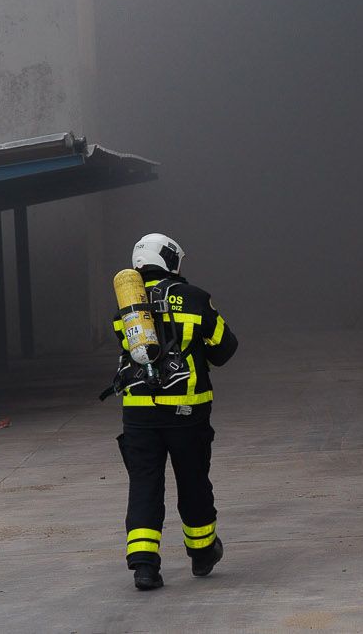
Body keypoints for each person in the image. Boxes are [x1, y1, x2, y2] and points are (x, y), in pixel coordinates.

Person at [109, 232, 239, 591]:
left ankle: (144, 568)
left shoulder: (126, 306)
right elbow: (225, 349)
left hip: (137, 414)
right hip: (187, 413)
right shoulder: (194, 297)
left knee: (145, 486)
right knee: (193, 481)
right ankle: (201, 553)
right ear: (169, 259)